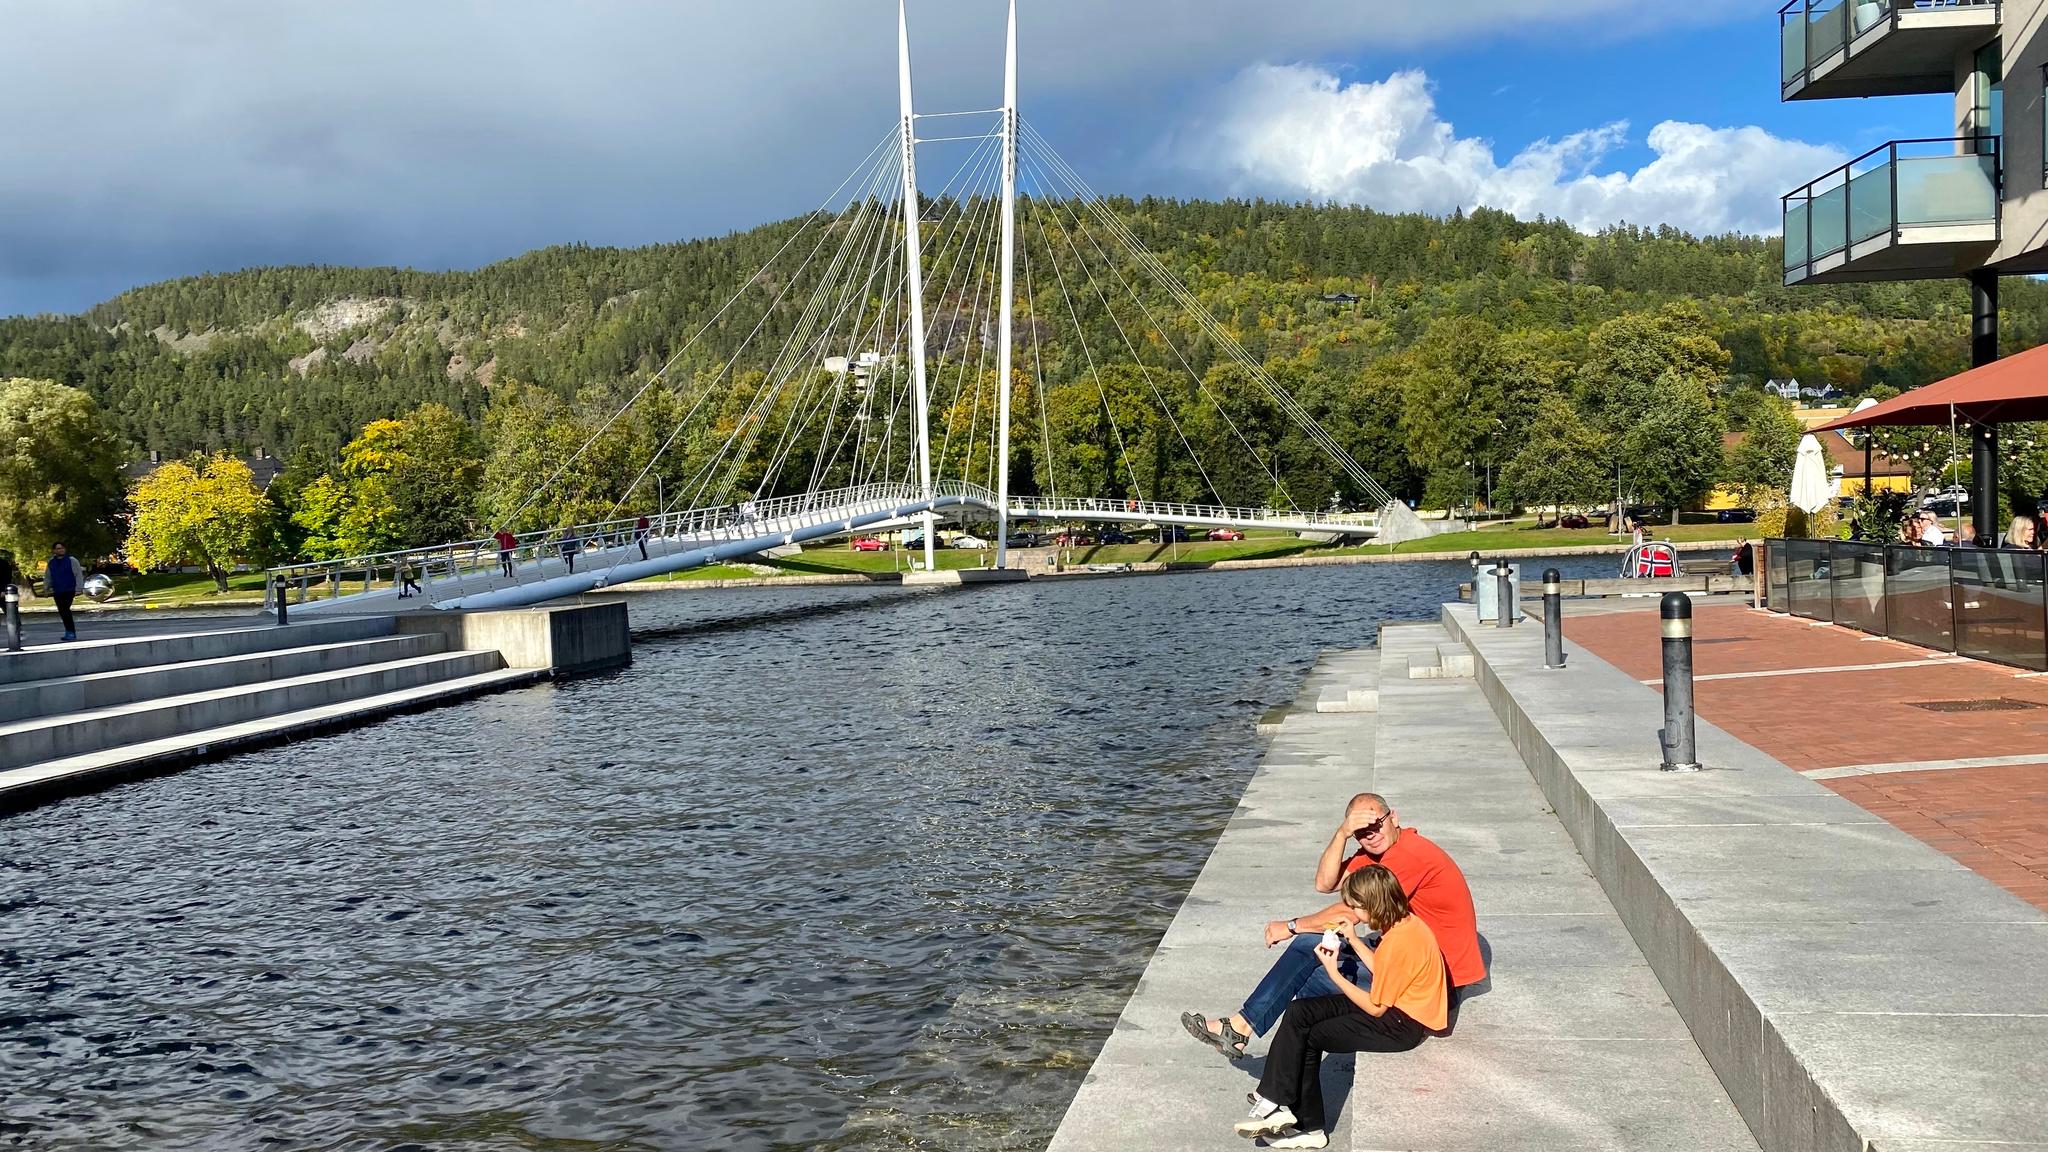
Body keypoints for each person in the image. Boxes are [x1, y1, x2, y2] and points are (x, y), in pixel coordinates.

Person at [1180, 792, 1483, 1059]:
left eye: (1376, 823)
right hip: (1406, 959)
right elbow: (1325, 883)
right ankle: (1272, 1054)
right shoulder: (1377, 853)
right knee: (1304, 977)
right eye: (1361, 830)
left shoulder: (1409, 855)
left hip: (1433, 983)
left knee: (1304, 961)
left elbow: (1348, 912)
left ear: (1395, 818)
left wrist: (1291, 926)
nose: (1371, 834)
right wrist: (1341, 833)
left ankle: (1251, 1035)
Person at [1232, 864, 1446, 1150]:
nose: (1354, 914)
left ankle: (1308, 1126)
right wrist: (1355, 940)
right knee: (1300, 1011)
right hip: (1398, 1009)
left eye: (1357, 907)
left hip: (1403, 1025)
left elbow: (1375, 1008)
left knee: (1314, 1034)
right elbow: (1384, 970)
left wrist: (1333, 972)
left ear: (1374, 904)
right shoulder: (1403, 924)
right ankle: (1274, 1097)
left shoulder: (1403, 941)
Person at [44, 542, 85, 641]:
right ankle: (68, 631)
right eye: (58, 549)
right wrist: (46, 588)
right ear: (54, 551)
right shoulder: (51, 562)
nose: (60, 550)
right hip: (57, 590)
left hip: (69, 589)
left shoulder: (71, 560)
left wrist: (79, 588)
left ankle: (71, 632)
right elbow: (48, 576)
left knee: (65, 610)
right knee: (62, 611)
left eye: (62, 548)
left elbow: (78, 574)